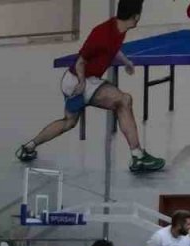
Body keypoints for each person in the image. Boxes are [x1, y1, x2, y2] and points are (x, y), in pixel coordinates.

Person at [15, 0, 165, 174]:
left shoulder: (118, 28)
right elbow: (80, 61)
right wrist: (82, 82)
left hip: (80, 81)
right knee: (124, 100)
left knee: (68, 122)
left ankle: (28, 147)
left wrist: (126, 62)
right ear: (136, 16)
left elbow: (113, 49)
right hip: (79, 80)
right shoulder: (101, 33)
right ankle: (138, 156)